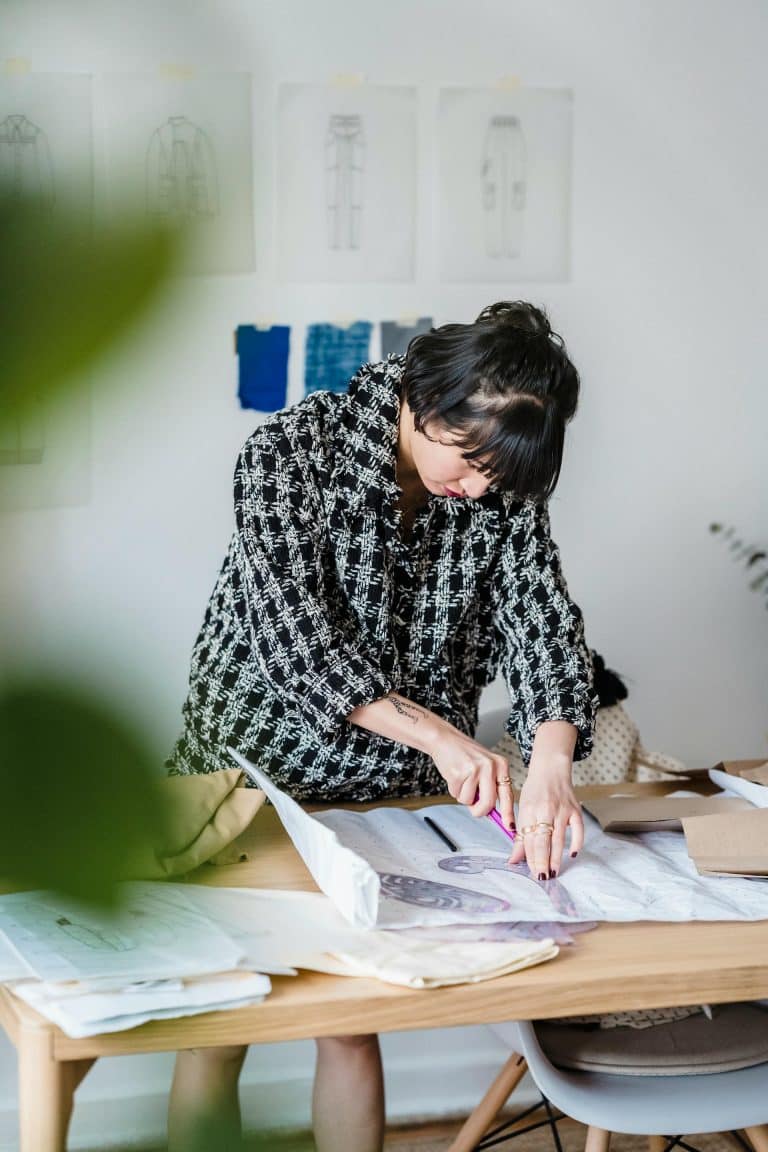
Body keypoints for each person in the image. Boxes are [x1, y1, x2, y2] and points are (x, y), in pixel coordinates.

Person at [165, 300, 598, 1152]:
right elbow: (296, 646)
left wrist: (551, 762)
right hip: (247, 778)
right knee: (223, 1013)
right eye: (470, 462)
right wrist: (443, 737)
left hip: (379, 807)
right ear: (429, 401)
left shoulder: (495, 488)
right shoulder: (289, 454)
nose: (478, 490)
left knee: (351, 1021)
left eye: (496, 479)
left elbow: (543, 624)